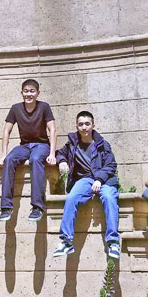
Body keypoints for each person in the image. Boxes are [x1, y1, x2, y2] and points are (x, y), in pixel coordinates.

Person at [52, 111, 121, 259]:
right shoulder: (72, 143)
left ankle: (113, 242)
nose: (84, 127)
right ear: (77, 126)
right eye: (81, 124)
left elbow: (111, 165)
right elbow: (60, 153)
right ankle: (66, 242)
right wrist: (62, 161)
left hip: (105, 180)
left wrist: (99, 179)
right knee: (71, 198)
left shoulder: (102, 144)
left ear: (93, 125)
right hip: (84, 180)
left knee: (109, 198)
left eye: (87, 124)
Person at [0, 79, 56, 222]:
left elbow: (53, 129)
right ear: (21, 92)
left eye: (32, 91)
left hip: (41, 145)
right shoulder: (16, 108)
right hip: (24, 146)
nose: (28, 94)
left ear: (37, 93)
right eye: (26, 91)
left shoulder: (44, 107)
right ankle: (6, 207)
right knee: (10, 159)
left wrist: (52, 153)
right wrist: (3, 155)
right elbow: (6, 130)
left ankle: (37, 207)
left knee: (35, 159)